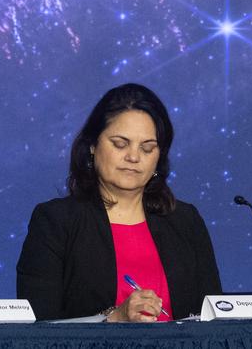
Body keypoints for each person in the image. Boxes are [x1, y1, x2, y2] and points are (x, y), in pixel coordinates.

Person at [16, 83, 222, 321]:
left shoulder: (186, 220)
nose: (133, 157)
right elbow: (37, 328)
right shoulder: (55, 222)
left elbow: (214, 317)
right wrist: (113, 319)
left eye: (147, 148)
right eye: (120, 144)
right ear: (93, 145)